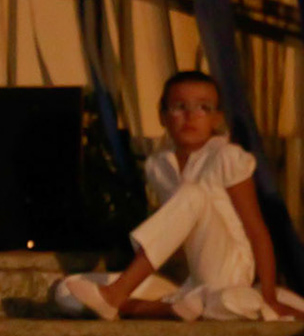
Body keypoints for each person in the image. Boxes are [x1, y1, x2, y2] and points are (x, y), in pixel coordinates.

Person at [57, 71, 304, 322]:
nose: (190, 116)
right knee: (68, 288)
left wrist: (270, 297)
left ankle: (118, 297)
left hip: (230, 273)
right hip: (193, 283)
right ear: (163, 116)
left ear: (216, 118)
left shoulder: (225, 157)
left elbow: (257, 229)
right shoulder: (158, 165)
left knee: (194, 195)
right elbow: (173, 236)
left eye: (203, 108)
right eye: (179, 107)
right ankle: (173, 309)